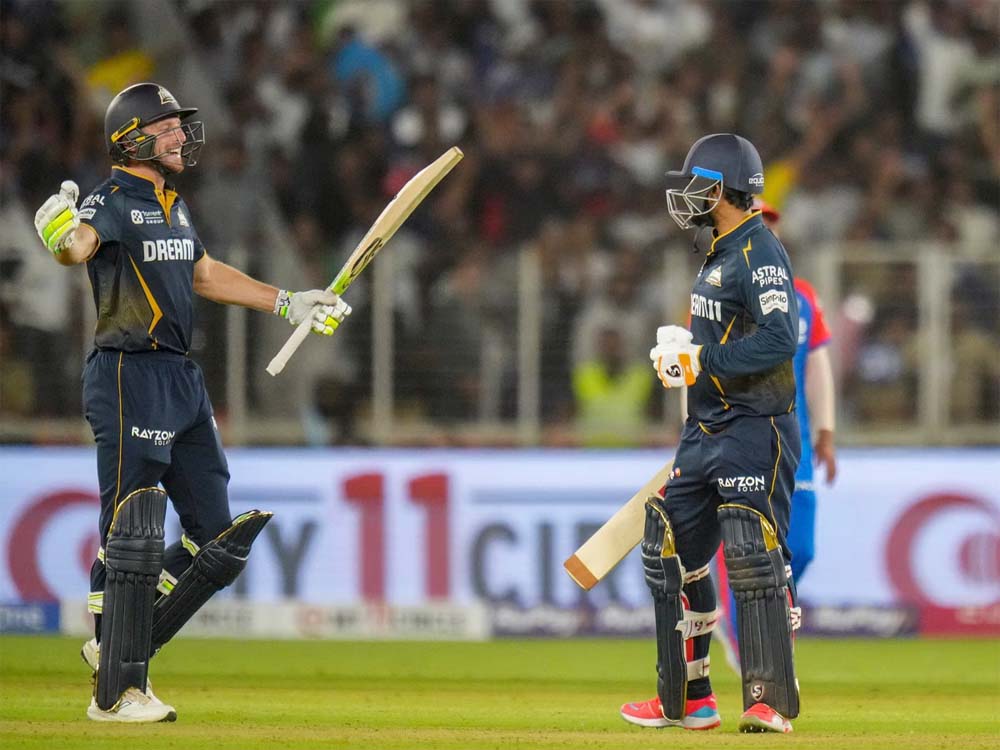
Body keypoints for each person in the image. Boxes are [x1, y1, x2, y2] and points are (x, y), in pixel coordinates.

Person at [32, 82, 352, 723]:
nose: (180, 135)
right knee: (130, 531)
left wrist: (288, 302)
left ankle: (120, 646)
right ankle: (117, 691)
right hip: (128, 373)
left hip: (180, 378)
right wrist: (57, 232)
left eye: (179, 125)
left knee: (216, 540)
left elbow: (202, 273)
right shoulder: (112, 198)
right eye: (167, 127)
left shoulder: (172, 203)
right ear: (132, 139)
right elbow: (78, 249)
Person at [619, 133, 802, 734]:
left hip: (755, 426)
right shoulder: (718, 250)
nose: (686, 195)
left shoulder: (759, 251)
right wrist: (686, 352)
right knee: (669, 549)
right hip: (705, 429)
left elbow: (780, 339)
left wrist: (702, 360)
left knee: (752, 553)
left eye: (697, 183)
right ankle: (690, 698)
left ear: (723, 189)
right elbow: (724, 336)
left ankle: (768, 700)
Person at [713, 198, 838, 671]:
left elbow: (818, 366)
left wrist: (826, 430)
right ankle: (753, 650)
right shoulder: (716, 292)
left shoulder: (801, 296)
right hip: (739, 440)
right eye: (756, 224)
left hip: (794, 443)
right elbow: (694, 367)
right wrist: (699, 428)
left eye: (769, 225)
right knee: (744, 545)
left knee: (798, 549)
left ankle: (763, 623)